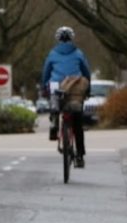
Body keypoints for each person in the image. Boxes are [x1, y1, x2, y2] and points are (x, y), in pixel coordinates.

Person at [42, 26, 91, 168]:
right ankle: (80, 156)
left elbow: (46, 72)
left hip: (56, 87)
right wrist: (87, 89)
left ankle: (54, 123)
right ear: (72, 38)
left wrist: (44, 87)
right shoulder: (78, 53)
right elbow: (86, 72)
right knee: (77, 124)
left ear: (58, 39)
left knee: (55, 101)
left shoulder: (52, 54)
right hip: (74, 88)